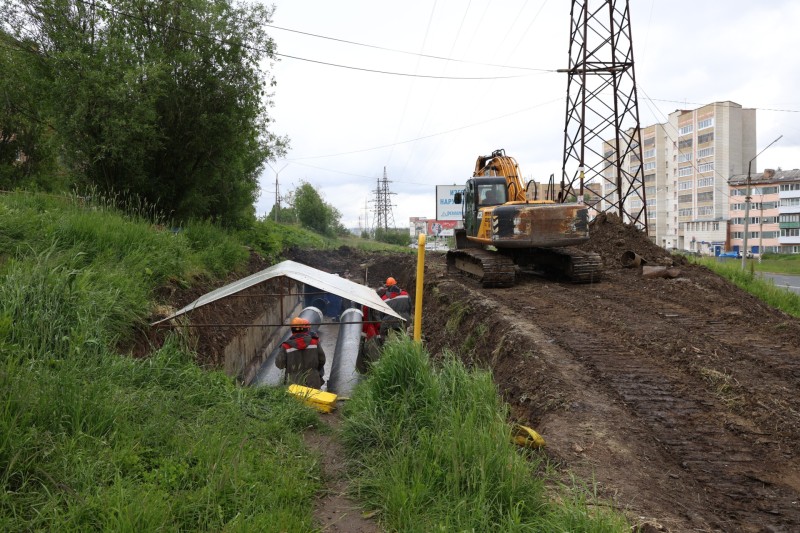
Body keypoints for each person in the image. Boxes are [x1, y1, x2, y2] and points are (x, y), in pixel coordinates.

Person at [275, 317, 326, 389]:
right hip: (313, 381)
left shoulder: (286, 346)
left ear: (292, 330)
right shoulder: (314, 342)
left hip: (293, 383)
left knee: (295, 397)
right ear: (307, 329)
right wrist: (314, 370)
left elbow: (280, 365)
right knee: (314, 396)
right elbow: (322, 360)